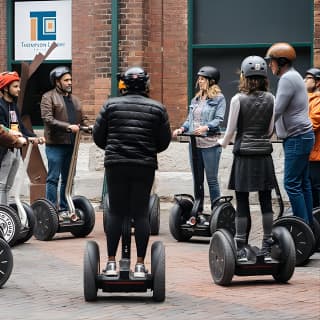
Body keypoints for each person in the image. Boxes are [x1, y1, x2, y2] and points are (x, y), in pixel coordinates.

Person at [93, 66, 171, 277]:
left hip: (116, 164)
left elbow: (98, 137)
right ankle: (139, 264)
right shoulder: (157, 108)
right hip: (143, 165)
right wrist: (146, 148)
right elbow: (164, 142)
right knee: (140, 213)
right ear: (145, 84)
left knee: (116, 212)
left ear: (124, 85)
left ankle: (110, 262)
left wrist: (114, 147)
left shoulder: (110, 105)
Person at [217, 55, 276, 261]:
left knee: (242, 202)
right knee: (265, 200)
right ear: (264, 77)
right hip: (264, 155)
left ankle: (241, 245)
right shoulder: (271, 98)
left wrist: (222, 143)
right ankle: (267, 246)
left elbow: (230, 130)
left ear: (244, 76)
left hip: (244, 155)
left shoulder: (237, 99)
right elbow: (270, 130)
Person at [265, 42, 315, 226]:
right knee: (303, 183)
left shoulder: (287, 79)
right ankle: (309, 228)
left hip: (296, 138)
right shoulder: (295, 77)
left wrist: (263, 130)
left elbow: (277, 110)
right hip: (304, 136)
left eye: (272, 62)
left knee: (291, 184)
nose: (270, 65)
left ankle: (301, 229)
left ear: (282, 61)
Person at [172, 66, 226, 225]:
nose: (199, 81)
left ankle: (217, 212)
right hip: (194, 144)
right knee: (197, 179)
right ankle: (199, 210)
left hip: (210, 144)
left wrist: (206, 127)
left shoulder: (219, 99)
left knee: (211, 180)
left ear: (211, 81)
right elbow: (189, 121)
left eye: (202, 79)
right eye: (199, 79)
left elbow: (219, 119)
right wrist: (181, 128)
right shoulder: (195, 100)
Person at [40, 66, 89, 219]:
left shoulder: (74, 99)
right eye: (66, 80)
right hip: (55, 144)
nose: (70, 82)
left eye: (70, 80)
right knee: (53, 178)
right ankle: (51, 211)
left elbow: (83, 118)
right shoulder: (48, 97)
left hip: (72, 145)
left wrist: (89, 127)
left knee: (68, 180)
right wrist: (68, 127)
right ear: (57, 81)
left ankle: (64, 208)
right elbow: (48, 119)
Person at [0, 71, 36, 205]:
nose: (19, 89)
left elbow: (20, 127)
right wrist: (17, 138)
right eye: (15, 86)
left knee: (8, 186)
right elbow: (2, 129)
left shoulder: (14, 106)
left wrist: (33, 137)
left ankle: (6, 213)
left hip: (16, 150)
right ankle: (3, 215)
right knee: (1, 185)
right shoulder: (0, 106)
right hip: (5, 150)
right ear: (5, 88)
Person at [304, 68, 320, 208]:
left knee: (316, 188)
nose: (305, 80)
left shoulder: (318, 101)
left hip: (316, 155)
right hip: (308, 153)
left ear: (317, 82)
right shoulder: (306, 99)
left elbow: (312, 124)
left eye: (308, 78)